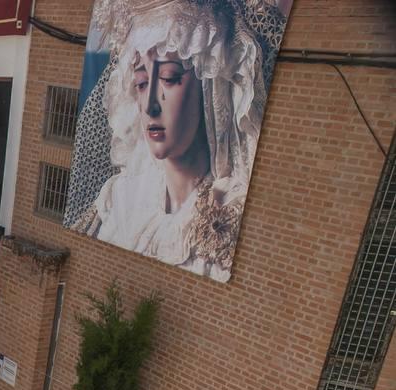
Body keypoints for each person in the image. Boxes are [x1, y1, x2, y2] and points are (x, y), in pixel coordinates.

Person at [71, 0, 277, 281]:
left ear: (210, 90)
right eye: (142, 83)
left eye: (169, 78)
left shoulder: (230, 210)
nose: (150, 106)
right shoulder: (121, 200)